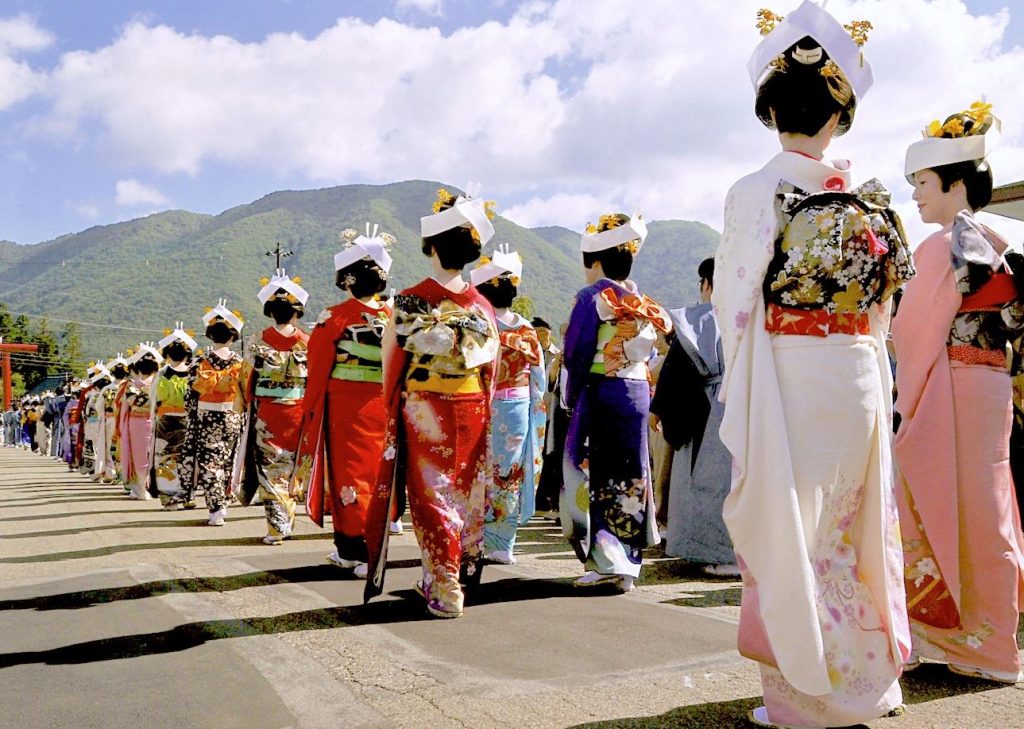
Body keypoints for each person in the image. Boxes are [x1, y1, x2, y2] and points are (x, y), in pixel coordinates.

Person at [712, 4, 915, 726]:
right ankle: (866, 685)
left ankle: (803, 700)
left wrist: (748, 374)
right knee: (849, 529)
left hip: (791, 374)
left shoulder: (755, 190)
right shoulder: (867, 200)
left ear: (772, 113)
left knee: (789, 529)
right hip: (857, 370)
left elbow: (737, 302)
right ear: (839, 117)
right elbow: (888, 299)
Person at [893, 100, 1024, 683]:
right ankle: (992, 642)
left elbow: (911, 330)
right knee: (989, 510)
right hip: (992, 380)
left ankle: (956, 639)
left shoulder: (942, 243)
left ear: (954, 183)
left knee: (930, 502)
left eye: (922, 183)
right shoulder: (1006, 236)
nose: (916, 195)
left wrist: (901, 402)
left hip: (948, 386)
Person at [364, 185, 500, 618]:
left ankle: (444, 587)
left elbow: (392, 362)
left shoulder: (407, 301)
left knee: (432, 495)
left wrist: (393, 405)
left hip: (426, 406)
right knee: (466, 490)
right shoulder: (482, 306)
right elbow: (490, 371)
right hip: (473, 404)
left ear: (431, 247)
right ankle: (456, 572)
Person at [561, 211, 671, 593]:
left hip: (602, 390)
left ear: (597, 262)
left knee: (600, 474)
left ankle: (605, 560)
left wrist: (572, 395)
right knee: (633, 474)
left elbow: (576, 351)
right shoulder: (640, 300)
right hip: (637, 390)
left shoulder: (593, 297)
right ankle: (629, 563)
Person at [293, 224, 395, 577]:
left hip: (345, 406)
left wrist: (310, 409)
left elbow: (319, 366)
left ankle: (359, 551)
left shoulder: (334, 318)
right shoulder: (394, 317)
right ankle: (358, 549)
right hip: (384, 403)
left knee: (348, 474)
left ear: (347, 279)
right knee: (375, 471)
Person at [650, 258, 736, 576]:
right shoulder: (751, 316)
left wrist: (658, 408)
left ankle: (717, 552)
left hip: (708, 408)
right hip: (744, 404)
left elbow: (677, 368)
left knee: (706, 483)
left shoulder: (699, 319)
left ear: (707, 285)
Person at [470, 245, 547, 564]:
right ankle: (504, 543)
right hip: (517, 405)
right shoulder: (525, 329)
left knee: (479, 471)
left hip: (482, 404)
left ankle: (476, 536)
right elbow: (539, 377)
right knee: (509, 473)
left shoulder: (478, 323)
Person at [241, 270, 310, 544]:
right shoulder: (308, 342)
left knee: (270, 468)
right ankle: (288, 518)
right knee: (292, 466)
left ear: (270, 311)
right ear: (297, 313)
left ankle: (278, 527)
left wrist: (247, 402)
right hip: (299, 409)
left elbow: (246, 378)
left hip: (268, 411)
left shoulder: (257, 341)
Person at [178, 300, 247, 526]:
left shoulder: (200, 361)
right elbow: (246, 392)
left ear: (210, 335)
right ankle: (224, 501)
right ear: (233, 336)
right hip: (233, 415)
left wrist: (193, 416)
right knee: (229, 459)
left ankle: (215, 508)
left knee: (210, 462)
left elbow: (190, 396)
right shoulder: (241, 362)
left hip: (207, 416)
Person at [149, 324, 197, 508]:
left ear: (167, 354)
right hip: (187, 420)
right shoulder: (193, 372)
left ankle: (169, 498)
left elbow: (153, 400)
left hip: (165, 420)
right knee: (187, 456)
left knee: (165, 457)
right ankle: (188, 495)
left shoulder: (161, 375)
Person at [117, 343, 162, 500]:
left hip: (135, 423)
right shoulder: (158, 384)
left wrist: (122, 427)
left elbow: (123, 409)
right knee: (153, 454)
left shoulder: (132, 386)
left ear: (137, 368)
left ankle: (141, 488)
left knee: (137, 456)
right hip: (155, 421)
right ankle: (155, 486)